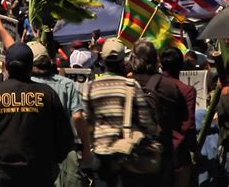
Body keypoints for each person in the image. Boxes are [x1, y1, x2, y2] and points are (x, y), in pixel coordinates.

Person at [0, 42, 74, 187]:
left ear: (6, 66)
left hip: (2, 173)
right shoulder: (47, 94)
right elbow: (64, 136)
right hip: (38, 173)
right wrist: (53, 160)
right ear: (30, 66)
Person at [83, 38, 157, 187]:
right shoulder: (131, 85)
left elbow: (86, 121)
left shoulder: (90, 86)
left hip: (100, 152)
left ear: (102, 59)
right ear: (124, 61)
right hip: (127, 154)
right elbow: (145, 121)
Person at [27, 41, 92, 187]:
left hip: (33, 153)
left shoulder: (24, 86)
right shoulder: (66, 84)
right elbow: (78, 117)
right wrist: (86, 149)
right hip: (63, 153)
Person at [130, 39, 188, 186]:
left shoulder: (126, 84)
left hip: (131, 156)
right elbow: (183, 118)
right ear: (156, 60)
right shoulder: (169, 86)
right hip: (161, 157)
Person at [160, 47, 197, 187]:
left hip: (156, 156)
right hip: (178, 156)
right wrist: (194, 148)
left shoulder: (153, 86)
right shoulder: (187, 91)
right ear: (181, 66)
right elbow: (188, 126)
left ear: (161, 65)